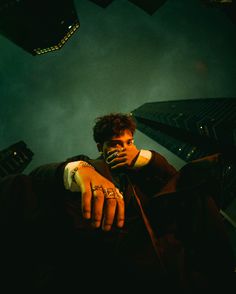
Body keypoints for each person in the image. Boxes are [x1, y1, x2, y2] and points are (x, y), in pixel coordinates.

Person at [0, 113, 235, 292]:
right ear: (100, 147)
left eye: (129, 142)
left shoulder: (152, 174)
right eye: (115, 143)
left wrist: (147, 159)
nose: (124, 148)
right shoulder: (86, 165)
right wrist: (78, 170)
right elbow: (38, 181)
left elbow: (183, 186)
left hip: (185, 277)